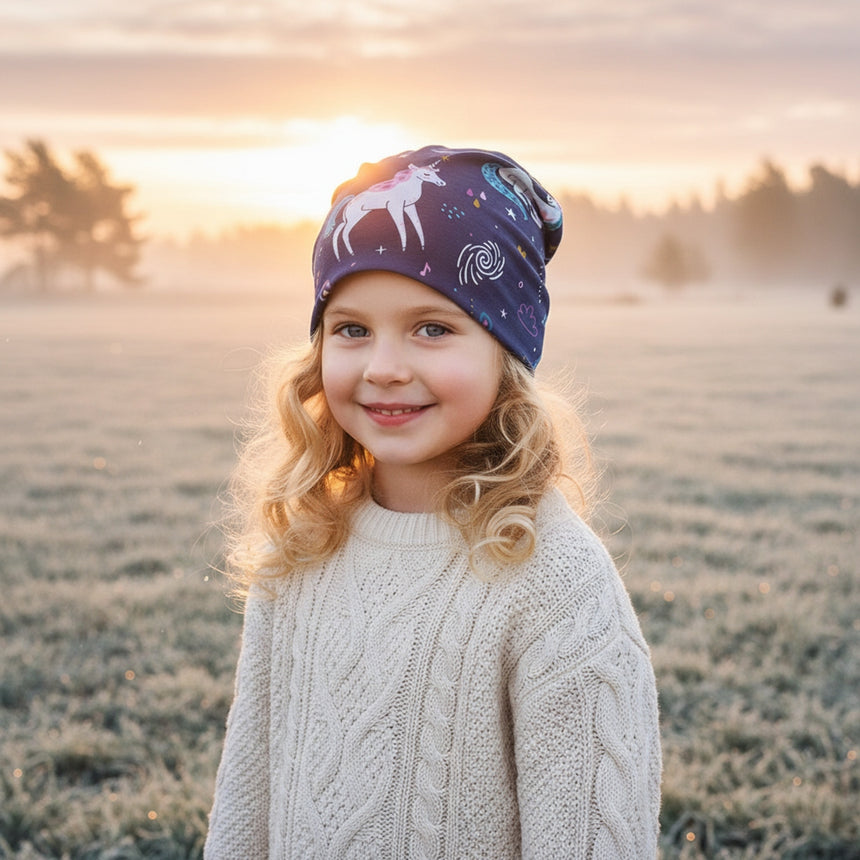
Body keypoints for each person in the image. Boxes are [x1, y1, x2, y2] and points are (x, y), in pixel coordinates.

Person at [204, 145, 661, 858]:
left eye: (433, 328)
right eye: (352, 329)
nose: (384, 367)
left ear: (506, 354)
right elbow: (246, 798)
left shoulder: (555, 580)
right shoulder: (302, 543)